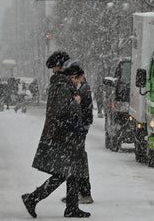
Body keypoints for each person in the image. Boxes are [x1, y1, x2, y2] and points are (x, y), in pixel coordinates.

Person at [21, 51, 89, 219]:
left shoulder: (64, 84)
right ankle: (33, 198)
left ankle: (72, 207)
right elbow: (61, 111)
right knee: (64, 172)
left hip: (66, 134)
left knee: (72, 171)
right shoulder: (61, 85)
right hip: (62, 135)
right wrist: (75, 103)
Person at [63, 62, 94, 206]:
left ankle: (84, 193)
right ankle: (76, 193)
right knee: (78, 159)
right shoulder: (81, 88)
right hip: (80, 127)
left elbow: (83, 110)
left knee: (79, 159)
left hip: (80, 128)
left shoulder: (83, 90)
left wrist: (80, 125)